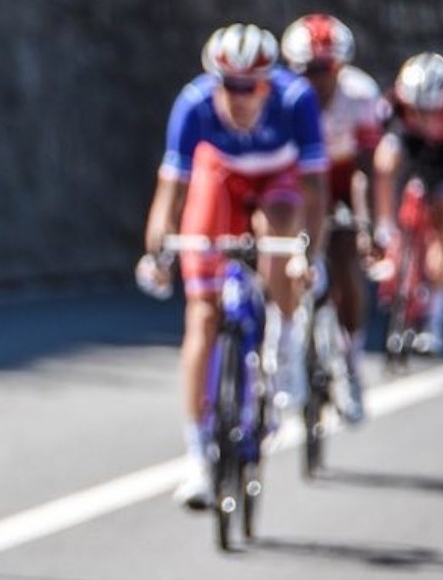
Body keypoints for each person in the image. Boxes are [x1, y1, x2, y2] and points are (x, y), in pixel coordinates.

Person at [140, 23, 328, 510]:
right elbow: (171, 192)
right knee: (201, 314)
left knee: (280, 235)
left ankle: (283, 348)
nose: (240, 97)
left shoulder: (297, 100)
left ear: (269, 82)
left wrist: (310, 253)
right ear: (214, 80)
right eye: (230, 85)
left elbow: (314, 191)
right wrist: (157, 251)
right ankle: (198, 456)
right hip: (221, 180)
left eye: (251, 87)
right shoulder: (194, 104)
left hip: (278, 181)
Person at [280, 13, 384, 424]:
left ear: (340, 68)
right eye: (308, 71)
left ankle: (352, 366)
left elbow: (365, 169)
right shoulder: (283, 97)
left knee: (344, 268)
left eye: (326, 70)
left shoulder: (360, 95)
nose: (318, 81)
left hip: (340, 181)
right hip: (297, 183)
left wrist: (365, 222)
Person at [371, 52, 443, 355]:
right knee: (384, 159)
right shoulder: (394, 104)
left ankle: (434, 319)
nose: (422, 117)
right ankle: (388, 231)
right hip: (417, 160)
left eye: (430, 110)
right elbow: (385, 155)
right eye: (416, 110)